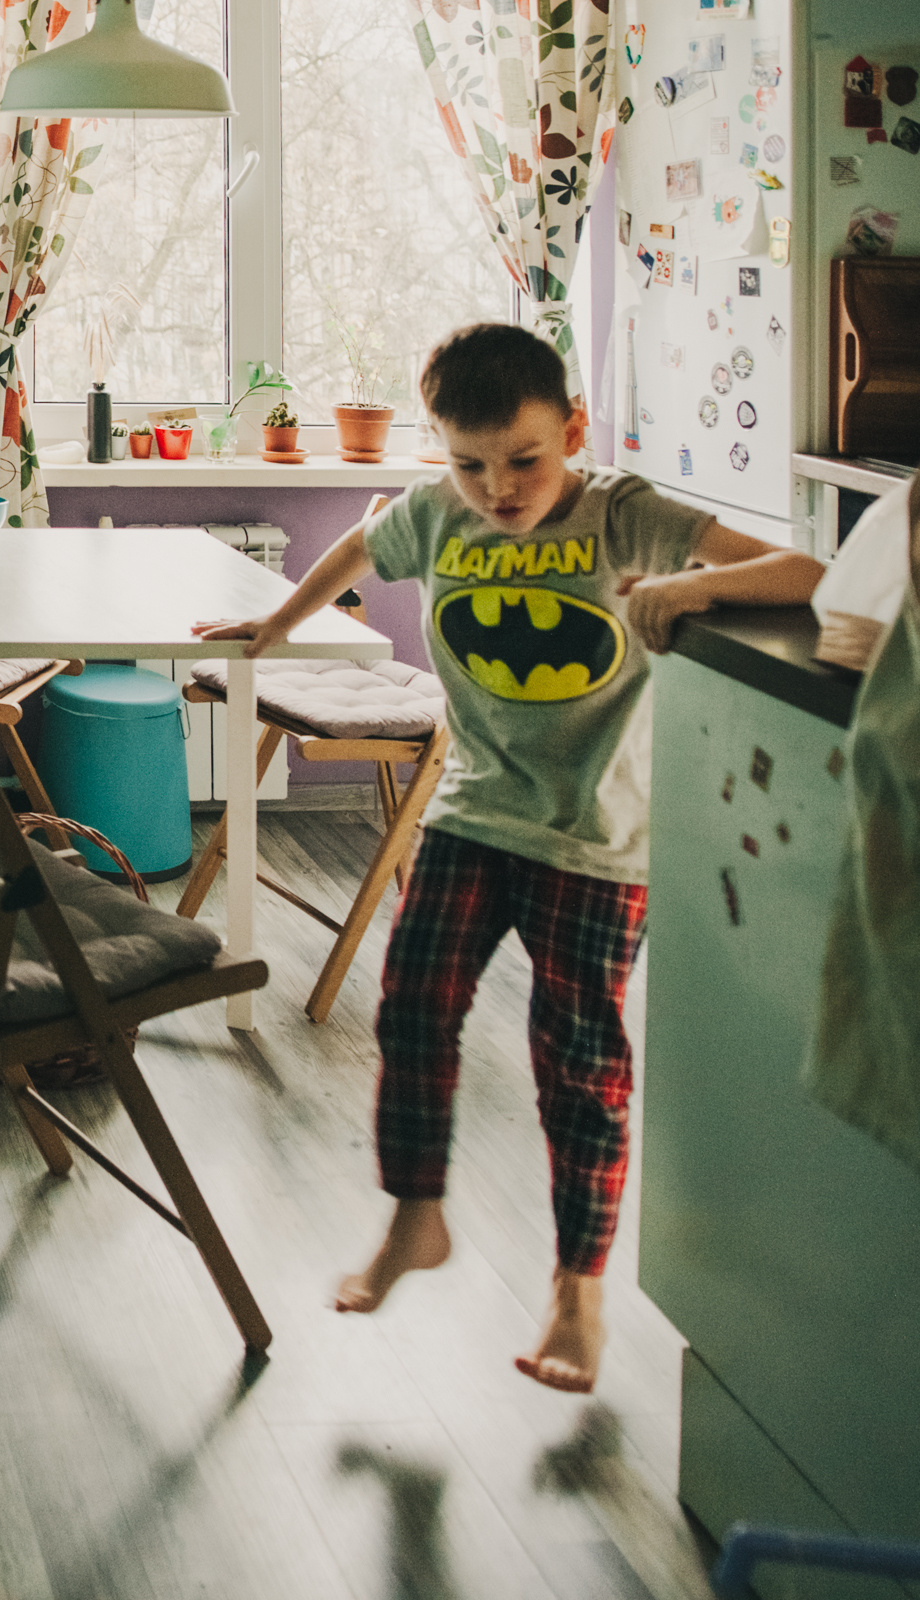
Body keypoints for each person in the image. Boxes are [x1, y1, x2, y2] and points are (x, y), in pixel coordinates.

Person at [192, 323, 824, 1394]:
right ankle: (416, 1216)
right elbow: (361, 548)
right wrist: (271, 629)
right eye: (469, 463)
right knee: (412, 1002)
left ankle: (577, 1289)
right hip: (477, 808)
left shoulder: (627, 515)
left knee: (576, 1061)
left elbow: (807, 568)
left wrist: (694, 590)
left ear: (572, 430)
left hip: (597, 836)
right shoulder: (440, 512)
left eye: (525, 459)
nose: (498, 488)